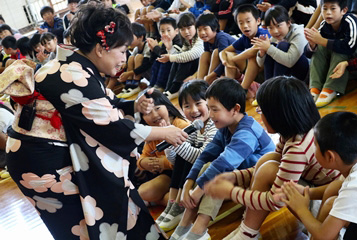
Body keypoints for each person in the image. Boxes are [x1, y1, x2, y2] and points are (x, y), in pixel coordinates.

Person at [4, 3, 188, 239]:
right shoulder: (74, 75)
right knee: (87, 223)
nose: (124, 58)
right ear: (102, 48)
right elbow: (114, 128)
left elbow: (98, 106)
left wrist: (133, 105)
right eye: (122, 51)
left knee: (87, 220)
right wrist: (164, 132)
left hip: (35, 154)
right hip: (44, 161)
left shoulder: (68, 64)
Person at [204, 76, 342, 240]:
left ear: (278, 115)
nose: (260, 116)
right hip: (316, 190)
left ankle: (247, 233)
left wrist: (231, 192)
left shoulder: (297, 148)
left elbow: (275, 201)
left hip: (323, 205)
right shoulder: (295, 132)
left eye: (261, 111)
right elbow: (270, 164)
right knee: (267, 160)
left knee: (269, 168)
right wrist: (235, 176)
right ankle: (247, 231)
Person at [171, 78, 275, 240]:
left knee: (216, 172)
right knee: (208, 166)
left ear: (235, 109)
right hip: (239, 174)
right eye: (209, 109)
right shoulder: (226, 127)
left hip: (261, 181)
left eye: (214, 110)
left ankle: (199, 229)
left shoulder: (247, 131)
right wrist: (188, 183)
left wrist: (198, 191)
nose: (210, 115)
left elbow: (225, 164)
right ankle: (185, 225)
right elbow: (206, 155)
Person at [281, 111, 357, 240]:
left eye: (315, 145)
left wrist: (301, 208)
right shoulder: (354, 164)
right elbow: (342, 186)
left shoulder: (354, 187)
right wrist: (308, 192)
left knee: (330, 207)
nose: (313, 148)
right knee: (335, 187)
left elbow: (324, 235)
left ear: (330, 156)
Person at [157, 80, 217, 232]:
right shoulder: (194, 127)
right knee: (181, 157)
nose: (193, 110)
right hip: (196, 175)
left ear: (210, 102)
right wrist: (169, 142)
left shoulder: (215, 126)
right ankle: (173, 204)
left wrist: (177, 142)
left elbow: (201, 158)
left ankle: (180, 206)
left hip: (211, 176)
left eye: (198, 103)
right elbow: (174, 161)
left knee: (187, 153)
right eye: (187, 106)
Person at [137, 90, 189, 206]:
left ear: (168, 107)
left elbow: (187, 159)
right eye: (148, 112)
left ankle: (161, 200)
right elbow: (142, 158)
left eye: (157, 108)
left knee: (171, 199)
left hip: (185, 174)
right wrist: (145, 163)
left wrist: (163, 162)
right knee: (143, 192)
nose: (154, 115)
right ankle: (164, 200)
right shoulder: (152, 133)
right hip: (168, 176)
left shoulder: (181, 126)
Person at [306, 0, 357, 107]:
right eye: (325, 9)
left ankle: (331, 89)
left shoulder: (351, 21)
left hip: (355, 55)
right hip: (340, 57)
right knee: (319, 48)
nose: (328, 13)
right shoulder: (324, 24)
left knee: (338, 47)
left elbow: (349, 47)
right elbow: (308, 53)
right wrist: (312, 45)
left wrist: (321, 41)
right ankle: (315, 88)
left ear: (344, 10)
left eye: (333, 8)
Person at [220, 4, 269, 95]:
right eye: (241, 23)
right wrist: (224, 60)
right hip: (253, 72)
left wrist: (233, 59)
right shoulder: (244, 37)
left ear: (258, 21)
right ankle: (229, 89)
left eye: (248, 21)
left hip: (267, 72)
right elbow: (224, 51)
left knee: (252, 57)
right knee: (228, 55)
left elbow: (253, 51)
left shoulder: (263, 34)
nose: (245, 26)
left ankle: (242, 91)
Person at [252, 5, 309, 82]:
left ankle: (274, 87)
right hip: (287, 73)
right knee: (272, 47)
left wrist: (268, 48)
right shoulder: (276, 36)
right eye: (270, 28)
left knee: (282, 46)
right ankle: (269, 86)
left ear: (288, 23)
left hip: (303, 73)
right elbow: (260, 64)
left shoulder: (298, 33)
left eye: (278, 26)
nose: (275, 31)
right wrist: (262, 52)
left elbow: (290, 61)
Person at [160, 12, 204, 99]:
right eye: (182, 29)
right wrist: (169, 48)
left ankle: (175, 88)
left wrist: (170, 57)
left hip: (202, 66)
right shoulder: (187, 40)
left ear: (195, 26)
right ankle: (168, 89)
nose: (186, 32)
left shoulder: (200, 37)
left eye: (189, 28)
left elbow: (193, 54)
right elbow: (178, 57)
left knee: (184, 58)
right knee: (179, 58)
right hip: (195, 65)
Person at [195, 13, 235, 84]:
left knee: (216, 52)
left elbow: (225, 60)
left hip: (231, 63)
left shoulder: (221, 38)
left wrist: (211, 75)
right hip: (219, 66)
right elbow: (207, 57)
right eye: (199, 30)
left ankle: (209, 83)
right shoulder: (207, 40)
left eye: (205, 29)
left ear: (215, 28)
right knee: (205, 54)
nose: (202, 33)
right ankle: (200, 84)